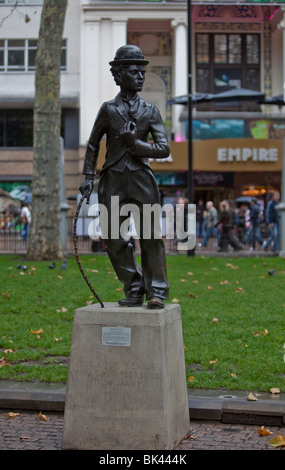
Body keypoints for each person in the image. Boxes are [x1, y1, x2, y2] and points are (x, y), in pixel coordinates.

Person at [79, 45, 170, 309]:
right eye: (134, 72)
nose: (141, 76)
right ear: (119, 75)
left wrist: (136, 144)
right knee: (113, 238)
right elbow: (93, 144)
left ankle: (157, 292)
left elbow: (163, 148)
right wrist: (88, 176)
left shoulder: (150, 110)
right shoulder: (108, 110)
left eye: (142, 72)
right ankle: (134, 286)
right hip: (113, 180)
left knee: (151, 237)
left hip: (142, 178)